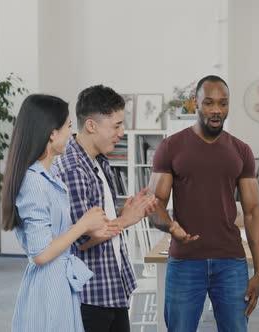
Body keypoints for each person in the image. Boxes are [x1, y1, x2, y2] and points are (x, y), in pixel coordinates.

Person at [148, 75, 259, 332]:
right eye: (209, 103)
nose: (216, 110)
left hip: (231, 263)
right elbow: (154, 205)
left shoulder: (241, 150)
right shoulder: (171, 147)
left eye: (223, 104)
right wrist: (171, 227)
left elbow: (253, 212)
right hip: (185, 262)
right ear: (195, 103)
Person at [2, 94, 118, 331]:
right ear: (52, 133)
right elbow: (41, 253)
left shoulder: (50, 175)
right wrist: (83, 225)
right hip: (49, 286)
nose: (70, 134)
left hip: (61, 282)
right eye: (67, 126)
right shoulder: (34, 182)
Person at [52, 85, 157, 332]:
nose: (121, 132)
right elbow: (80, 239)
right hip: (90, 295)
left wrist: (121, 213)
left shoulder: (99, 160)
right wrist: (125, 221)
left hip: (111, 286)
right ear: (91, 125)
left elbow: (98, 221)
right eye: (116, 125)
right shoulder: (73, 169)